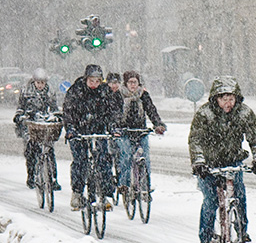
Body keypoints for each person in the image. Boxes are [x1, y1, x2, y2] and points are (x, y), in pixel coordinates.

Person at [188, 77, 256, 243]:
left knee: (239, 194)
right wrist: (199, 162)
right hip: (209, 165)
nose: (228, 103)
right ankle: (206, 239)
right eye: (224, 99)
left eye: (231, 98)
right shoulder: (204, 114)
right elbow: (196, 140)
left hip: (232, 161)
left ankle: (241, 229)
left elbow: (255, 138)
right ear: (215, 98)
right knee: (211, 201)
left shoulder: (244, 113)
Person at [63, 64, 118, 210]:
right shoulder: (76, 90)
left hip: (98, 129)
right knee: (80, 162)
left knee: (104, 160)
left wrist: (112, 127)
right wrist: (70, 129)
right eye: (91, 81)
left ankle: (105, 195)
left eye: (97, 81)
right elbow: (68, 110)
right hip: (79, 130)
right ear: (86, 79)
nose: (94, 85)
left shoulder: (105, 92)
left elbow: (111, 111)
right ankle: (77, 193)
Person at [116, 70, 166, 198]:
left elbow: (151, 110)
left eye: (135, 82)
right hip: (124, 131)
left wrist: (158, 124)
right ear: (125, 83)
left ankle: (145, 186)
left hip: (140, 130)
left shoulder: (143, 95)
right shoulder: (118, 96)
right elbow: (114, 113)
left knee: (146, 158)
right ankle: (124, 185)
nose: (133, 85)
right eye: (130, 82)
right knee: (126, 155)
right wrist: (116, 127)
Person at [14, 67, 61, 190]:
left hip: (45, 124)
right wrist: (20, 116)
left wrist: (57, 116)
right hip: (31, 124)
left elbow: (54, 107)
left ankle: (53, 178)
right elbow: (20, 107)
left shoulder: (50, 92)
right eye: (38, 83)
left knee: (50, 151)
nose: (40, 85)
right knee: (31, 149)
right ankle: (31, 175)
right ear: (34, 81)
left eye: (43, 83)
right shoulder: (26, 91)